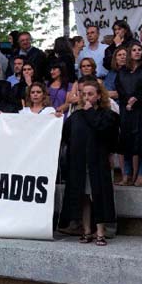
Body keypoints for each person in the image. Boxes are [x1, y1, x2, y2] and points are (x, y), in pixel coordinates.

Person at [58, 79, 119, 245]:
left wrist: (91, 111)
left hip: (97, 162)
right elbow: (65, 135)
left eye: (90, 94)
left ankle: (100, 232)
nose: (86, 97)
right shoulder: (76, 116)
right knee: (83, 197)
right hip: (79, 164)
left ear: (99, 96)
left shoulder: (107, 114)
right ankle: (86, 231)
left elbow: (103, 129)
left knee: (97, 195)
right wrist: (55, 119)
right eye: (83, 94)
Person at [115, 42, 142, 186]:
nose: (137, 52)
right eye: (134, 50)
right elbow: (119, 87)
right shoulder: (123, 71)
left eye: (139, 50)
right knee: (126, 142)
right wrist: (127, 101)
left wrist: (136, 99)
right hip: (126, 109)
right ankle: (127, 175)